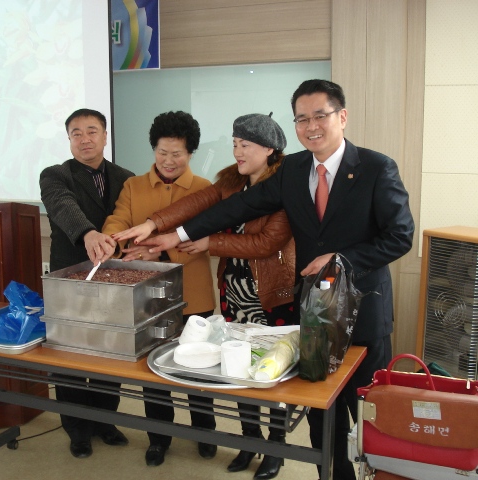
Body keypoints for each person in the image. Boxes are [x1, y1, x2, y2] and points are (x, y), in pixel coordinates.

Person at [116, 80, 415, 480]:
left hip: (364, 312)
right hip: (315, 314)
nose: (311, 126)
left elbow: (400, 236)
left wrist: (341, 260)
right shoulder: (294, 169)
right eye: (302, 119)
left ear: (342, 116)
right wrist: (175, 234)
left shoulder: (377, 168)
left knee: (369, 407)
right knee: (321, 409)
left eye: (320, 116)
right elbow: (238, 206)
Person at [112, 113, 296, 480]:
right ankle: (250, 441)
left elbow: (267, 243)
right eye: (235, 143)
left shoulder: (283, 186)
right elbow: (195, 204)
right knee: (237, 369)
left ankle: (275, 449)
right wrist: (153, 224)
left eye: (245, 145)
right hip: (234, 291)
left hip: (270, 294)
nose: (237, 151)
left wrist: (210, 242)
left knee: (272, 374)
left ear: (269, 150)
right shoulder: (231, 182)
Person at [97, 110, 217, 467]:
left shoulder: (204, 189)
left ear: (190, 153)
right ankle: (158, 439)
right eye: (162, 152)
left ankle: (205, 432)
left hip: (194, 294)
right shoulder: (133, 186)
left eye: (177, 153)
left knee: (199, 369)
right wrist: (113, 239)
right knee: (154, 372)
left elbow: (206, 241)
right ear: (154, 150)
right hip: (147, 297)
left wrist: (162, 251)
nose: (168, 160)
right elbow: (118, 219)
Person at [39, 108, 135, 459]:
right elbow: (63, 206)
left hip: (113, 279)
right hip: (70, 278)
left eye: (92, 131)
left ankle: (105, 421)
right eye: (76, 133)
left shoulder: (126, 178)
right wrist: (89, 233)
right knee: (70, 353)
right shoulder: (55, 175)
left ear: (105, 136)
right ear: (69, 140)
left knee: (110, 351)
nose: (84, 139)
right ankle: (77, 428)